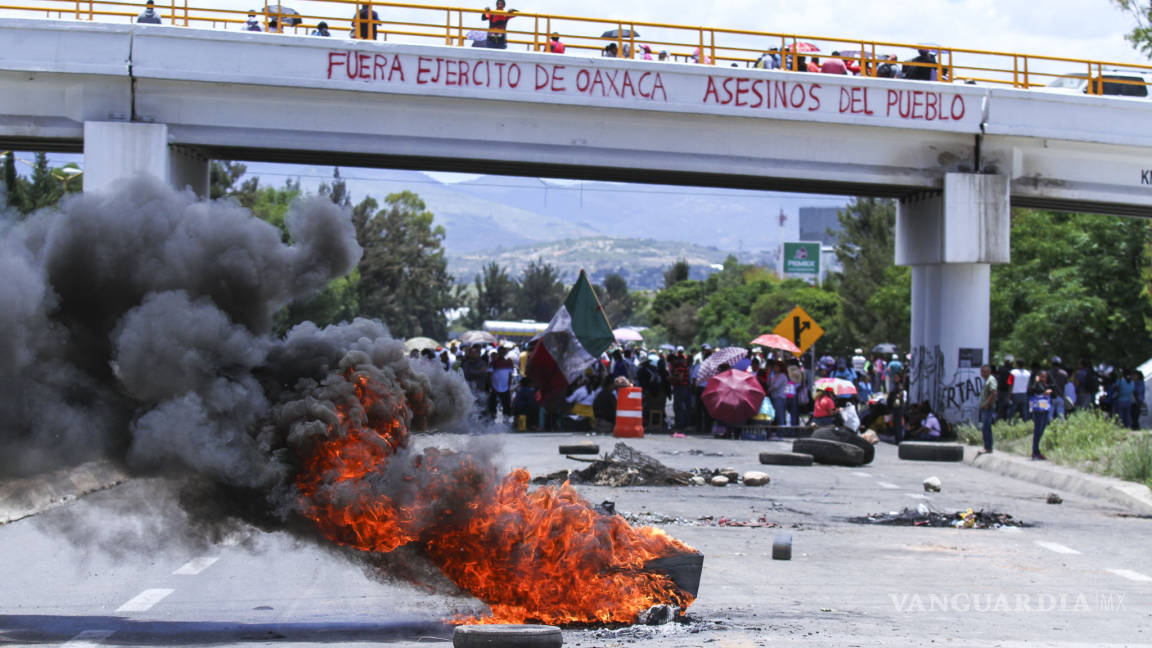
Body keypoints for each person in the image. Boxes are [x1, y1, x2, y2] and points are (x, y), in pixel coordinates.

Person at [1029, 371, 1054, 460]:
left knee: (1041, 430)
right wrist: (1037, 382)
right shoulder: (1036, 385)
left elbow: (1052, 388)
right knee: (1037, 431)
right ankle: (1035, 452)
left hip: (1045, 410)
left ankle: (1037, 451)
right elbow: (1033, 390)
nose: (1044, 378)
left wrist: (1049, 390)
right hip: (1038, 410)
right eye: (1042, 377)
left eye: (1045, 377)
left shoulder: (1046, 385)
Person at [977, 364, 997, 454]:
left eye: (985, 371)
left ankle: (988, 447)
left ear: (989, 371)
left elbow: (994, 393)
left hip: (988, 407)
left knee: (986, 427)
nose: (983, 373)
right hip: (985, 407)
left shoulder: (991, 379)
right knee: (985, 427)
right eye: (982, 371)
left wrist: (987, 403)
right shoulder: (986, 380)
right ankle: (987, 446)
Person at [1008, 358, 1031, 422]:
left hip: (1015, 394)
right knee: (1024, 411)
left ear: (1017, 364)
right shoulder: (1027, 373)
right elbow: (1028, 385)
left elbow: (1010, 384)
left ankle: (1010, 423)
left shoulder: (1013, 372)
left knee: (1012, 411)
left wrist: (1009, 396)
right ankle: (1026, 423)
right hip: (1024, 394)